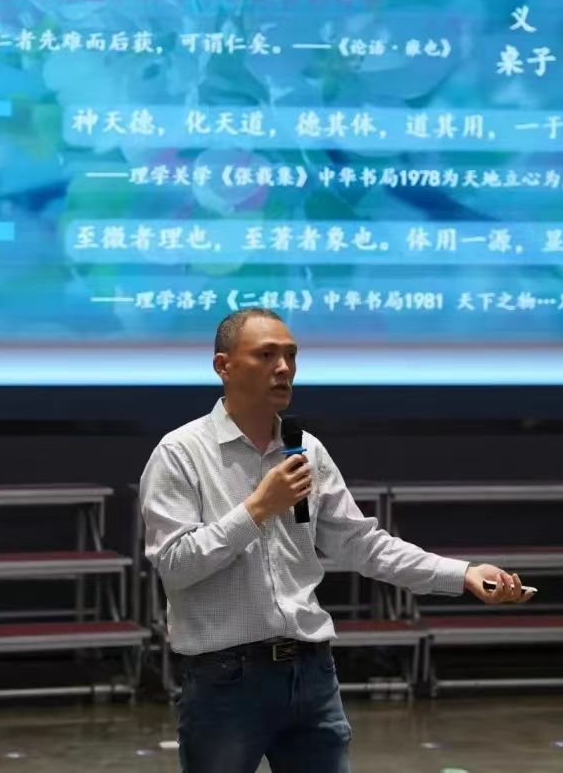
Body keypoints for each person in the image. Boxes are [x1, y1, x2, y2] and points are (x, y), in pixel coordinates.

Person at [140, 308, 535, 773]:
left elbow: (363, 544)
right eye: (266, 355)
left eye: (291, 355)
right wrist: (257, 509)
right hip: (225, 680)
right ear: (223, 366)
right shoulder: (180, 453)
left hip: (311, 674)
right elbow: (176, 566)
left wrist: (463, 574)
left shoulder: (306, 449)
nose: (283, 368)